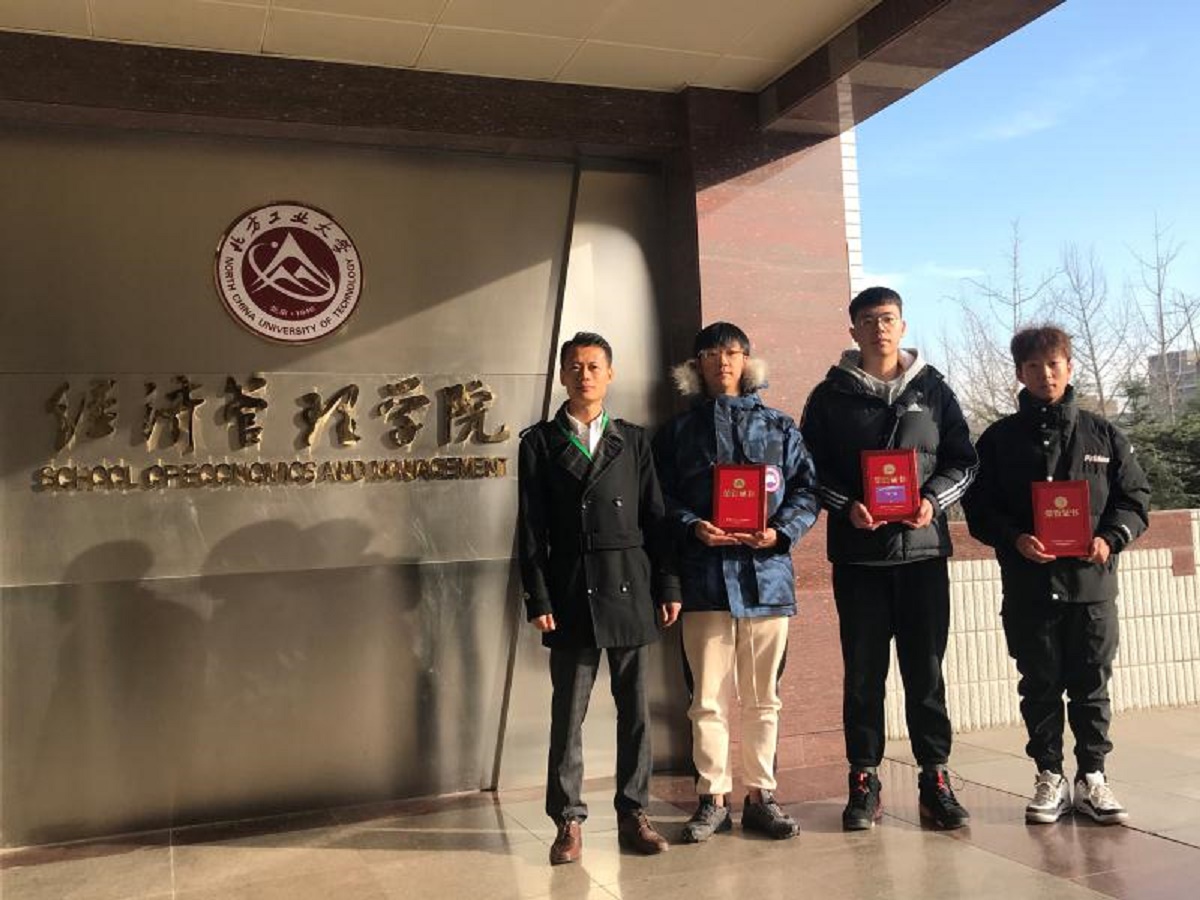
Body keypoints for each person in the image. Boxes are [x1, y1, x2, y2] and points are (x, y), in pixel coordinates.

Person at [800, 286, 977, 831]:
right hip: (860, 561)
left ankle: (935, 780)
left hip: (923, 556)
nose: (880, 328)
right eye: (869, 320)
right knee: (863, 676)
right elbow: (808, 470)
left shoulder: (934, 390)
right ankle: (864, 780)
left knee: (926, 673)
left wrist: (932, 501)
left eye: (889, 318)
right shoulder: (829, 396)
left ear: (903, 326)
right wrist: (846, 506)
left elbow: (963, 461)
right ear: (852, 330)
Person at [963, 325, 1149, 825]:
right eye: (1033, 366)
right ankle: (1049, 776)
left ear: (1069, 367)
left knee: (1092, 687)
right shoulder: (999, 440)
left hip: (1091, 589)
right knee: (1039, 686)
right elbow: (979, 511)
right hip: (1030, 589)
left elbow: (1135, 500)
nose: (1045, 374)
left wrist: (1110, 538)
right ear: (1018, 373)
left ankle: (1093, 777)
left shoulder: (1103, 434)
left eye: (1054, 364)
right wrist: (1015, 538)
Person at [517, 331, 681, 866]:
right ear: (563, 375)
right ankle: (567, 820)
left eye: (593, 366)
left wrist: (668, 584)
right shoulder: (539, 443)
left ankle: (634, 812)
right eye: (575, 366)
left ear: (610, 374)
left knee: (635, 712)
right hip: (570, 587)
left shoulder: (633, 440)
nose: (584, 375)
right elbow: (530, 529)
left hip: (630, 581)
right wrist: (537, 595)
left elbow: (656, 517)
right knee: (568, 713)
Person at [652, 322, 820, 843]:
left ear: (747, 361)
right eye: (711, 353)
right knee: (706, 700)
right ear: (695, 365)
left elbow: (807, 491)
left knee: (763, 698)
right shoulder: (677, 433)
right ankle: (712, 799)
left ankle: (762, 795)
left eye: (732, 352)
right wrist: (691, 525)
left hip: (767, 582)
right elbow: (658, 499)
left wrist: (780, 532)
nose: (722, 361)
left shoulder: (780, 427)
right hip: (704, 582)